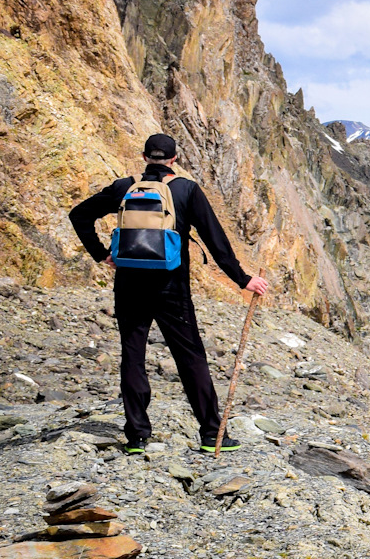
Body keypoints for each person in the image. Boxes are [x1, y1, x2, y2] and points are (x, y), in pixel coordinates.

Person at [68, 133, 270, 454]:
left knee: (133, 355)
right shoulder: (186, 190)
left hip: (129, 286)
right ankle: (210, 434)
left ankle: (136, 436)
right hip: (171, 287)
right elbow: (216, 241)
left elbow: (79, 214)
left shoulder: (124, 187)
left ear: (145, 157)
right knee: (191, 357)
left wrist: (101, 253)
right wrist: (243, 279)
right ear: (175, 160)